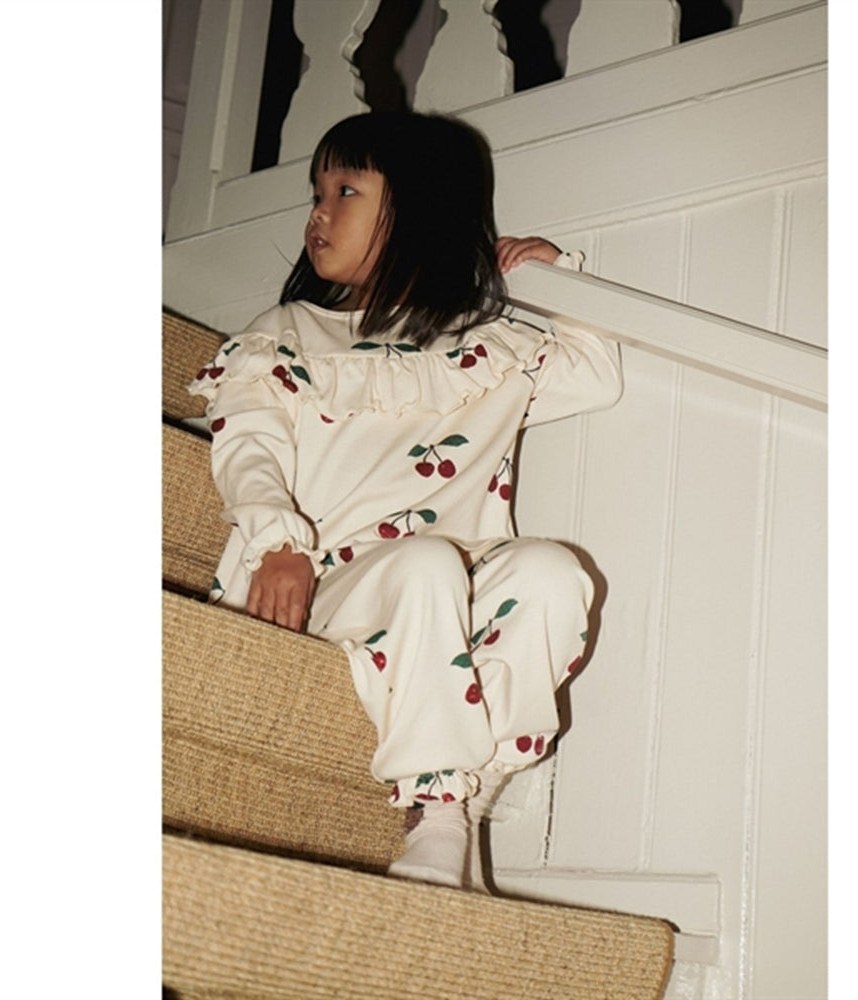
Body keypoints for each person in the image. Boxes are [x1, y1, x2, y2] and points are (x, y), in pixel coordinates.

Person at [189, 111, 622, 891]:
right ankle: (439, 804)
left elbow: (595, 375)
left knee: (553, 573)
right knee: (424, 564)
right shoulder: (287, 333)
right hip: (320, 585)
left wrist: (556, 274)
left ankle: (464, 796)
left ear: (423, 209)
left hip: (443, 596)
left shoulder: (486, 350)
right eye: (316, 194)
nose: (319, 214)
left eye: (345, 191)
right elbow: (247, 446)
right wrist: (278, 544)